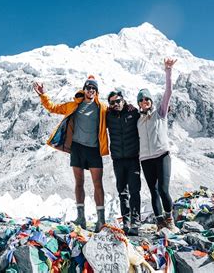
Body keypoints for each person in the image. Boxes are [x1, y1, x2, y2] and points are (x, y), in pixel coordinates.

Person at [33, 76, 109, 232]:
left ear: (97, 91)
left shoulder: (102, 108)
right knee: (79, 182)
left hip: (94, 149)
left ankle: (101, 220)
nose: (91, 91)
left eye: (94, 88)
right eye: (88, 88)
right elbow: (53, 107)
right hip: (77, 148)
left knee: (97, 183)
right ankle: (81, 218)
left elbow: (116, 116)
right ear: (84, 89)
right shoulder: (74, 105)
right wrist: (43, 94)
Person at [137, 58, 179, 233]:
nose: (144, 101)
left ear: (151, 101)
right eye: (141, 100)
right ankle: (159, 223)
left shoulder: (160, 113)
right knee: (153, 192)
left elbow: (168, 92)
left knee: (163, 189)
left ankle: (169, 219)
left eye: (146, 99)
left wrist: (168, 71)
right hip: (146, 159)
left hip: (162, 155)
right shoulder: (138, 121)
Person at [106, 90, 141, 236]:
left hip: (133, 158)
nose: (116, 104)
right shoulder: (108, 116)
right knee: (122, 192)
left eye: (118, 101)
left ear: (123, 100)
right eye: (112, 102)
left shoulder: (134, 113)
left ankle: (136, 222)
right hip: (118, 160)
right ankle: (126, 222)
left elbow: (148, 118)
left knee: (135, 191)